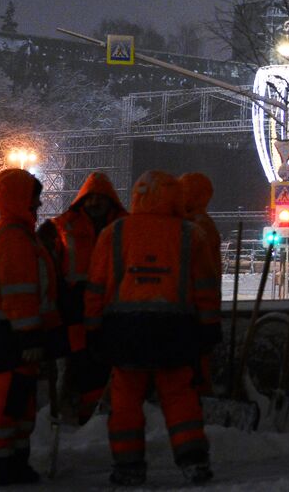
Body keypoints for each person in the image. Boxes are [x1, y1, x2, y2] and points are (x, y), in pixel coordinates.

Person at [86, 171, 220, 486]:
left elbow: (96, 288)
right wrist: (210, 328)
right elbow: (206, 289)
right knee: (179, 397)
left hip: (124, 331)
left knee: (125, 400)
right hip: (175, 330)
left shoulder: (113, 233)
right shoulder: (191, 235)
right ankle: (193, 461)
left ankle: (128, 466)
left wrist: (92, 329)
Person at [0, 168, 61, 487]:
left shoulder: (11, 232)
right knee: (8, 404)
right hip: (13, 338)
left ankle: (12, 463)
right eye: (35, 200)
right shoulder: (14, 237)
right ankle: (0, 467)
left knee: (18, 403)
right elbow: (20, 293)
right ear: (23, 199)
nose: (38, 207)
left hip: (7, 335)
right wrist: (30, 337)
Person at [39, 171, 126, 423]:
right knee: (81, 360)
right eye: (91, 197)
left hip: (112, 307)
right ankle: (86, 414)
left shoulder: (125, 224)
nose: (95, 203)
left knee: (104, 362)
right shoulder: (62, 225)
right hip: (74, 307)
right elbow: (45, 258)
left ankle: (96, 414)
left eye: (100, 198)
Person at [179, 172, 221, 395]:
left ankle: (200, 401)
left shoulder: (194, 227)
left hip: (192, 309)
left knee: (193, 368)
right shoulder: (202, 224)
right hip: (202, 309)